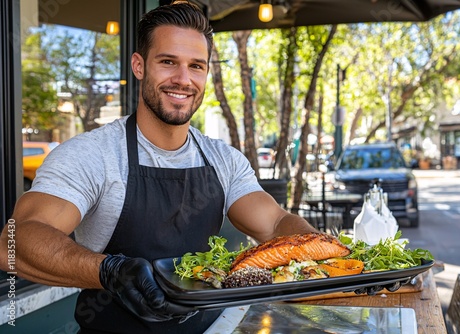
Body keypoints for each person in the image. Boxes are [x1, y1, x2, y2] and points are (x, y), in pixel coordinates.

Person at [0, 2, 317, 333]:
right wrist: (107, 271)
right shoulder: (93, 155)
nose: (183, 79)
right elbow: (14, 241)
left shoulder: (224, 160)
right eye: (168, 62)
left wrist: (328, 251)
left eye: (196, 66)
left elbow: (276, 222)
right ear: (139, 66)